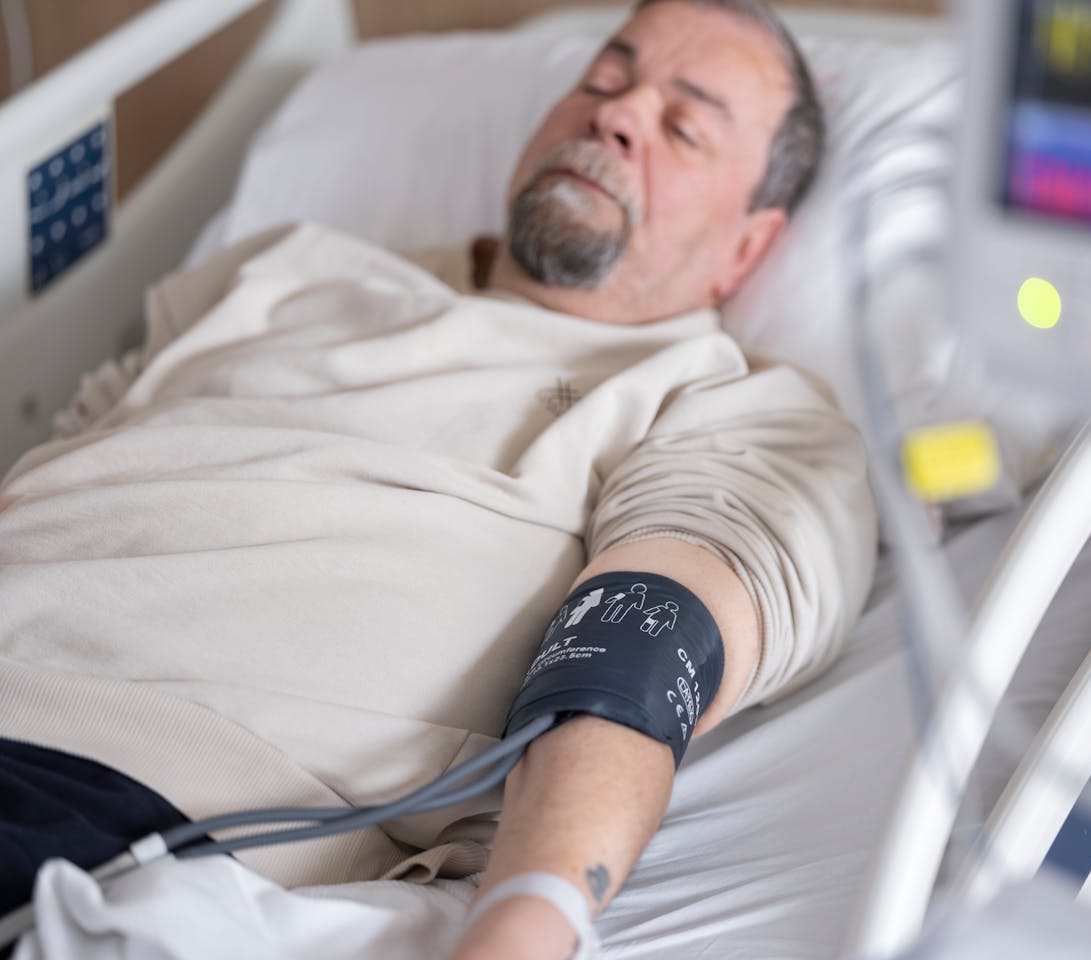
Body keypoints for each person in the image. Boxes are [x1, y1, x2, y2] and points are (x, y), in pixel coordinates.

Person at [0, 2, 876, 958]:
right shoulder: (278, 271)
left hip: (118, 807)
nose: (614, 116)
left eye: (682, 126)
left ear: (748, 246)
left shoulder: (725, 401)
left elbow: (639, 658)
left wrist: (526, 921)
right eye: (604, 79)